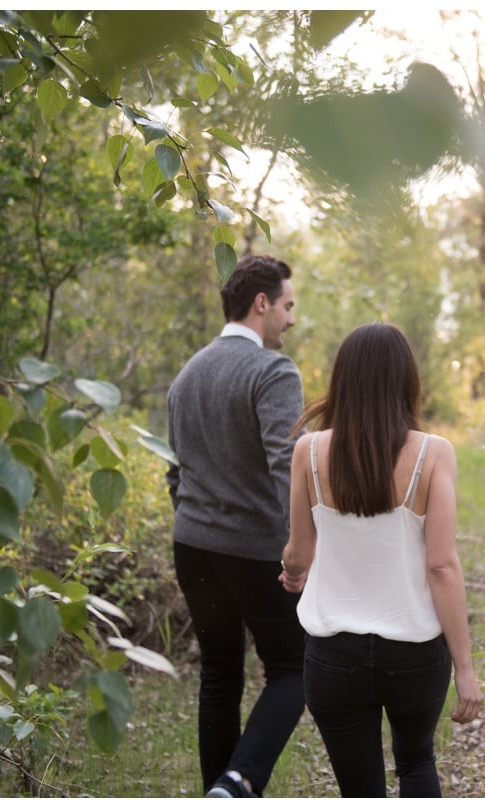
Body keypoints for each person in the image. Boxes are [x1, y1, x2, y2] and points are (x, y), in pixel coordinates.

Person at [279, 322, 483, 798]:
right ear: (406, 381)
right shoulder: (434, 454)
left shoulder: (308, 451)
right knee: (416, 763)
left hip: (332, 656)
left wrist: (292, 572)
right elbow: (442, 566)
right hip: (414, 654)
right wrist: (466, 667)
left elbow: (299, 552)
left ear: (342, 380)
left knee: (360, 790)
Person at [165, 254, 306, 798]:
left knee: (220, 675)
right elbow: (285, 464)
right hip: (254, 552)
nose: (291, 320)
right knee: (295, 668)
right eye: (288, 306)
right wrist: (301, 545)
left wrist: (194, 518)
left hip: (192, 546)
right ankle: (240, 780)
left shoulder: (187, 374)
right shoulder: (273, 370)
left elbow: (174, 469)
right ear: (262, 303)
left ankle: (217, 792)